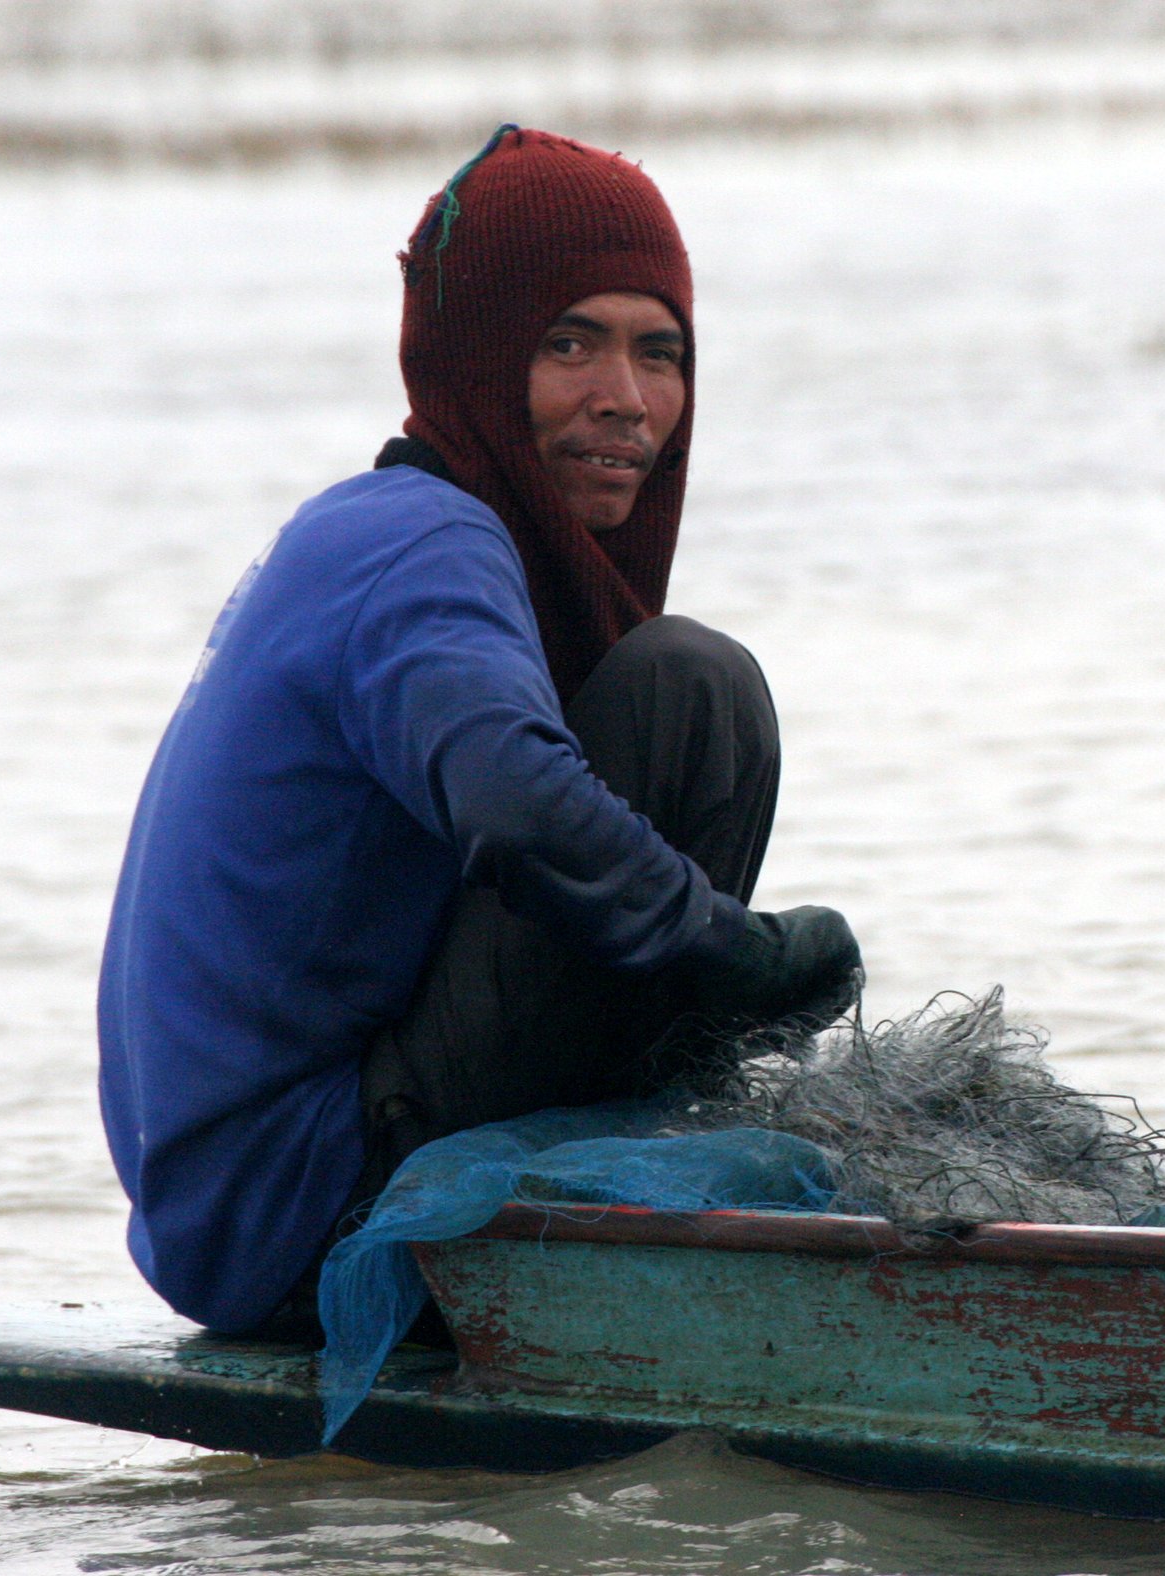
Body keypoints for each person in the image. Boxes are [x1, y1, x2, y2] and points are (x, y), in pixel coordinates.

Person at [96, 126, 860, 1338]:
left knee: (663, 691)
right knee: (689, 690)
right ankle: (523, 1249)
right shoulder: (422, 540)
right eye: (570, 344)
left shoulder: (376, 534)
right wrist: (742, 956)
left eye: (659, 354)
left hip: (228, 1218)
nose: (627, 398)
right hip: (304, 1209)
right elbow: (513, 799)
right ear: (476, 362)